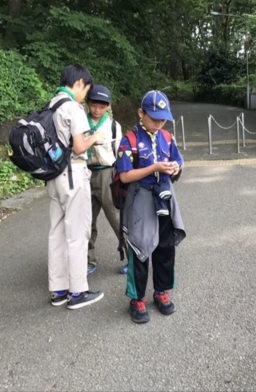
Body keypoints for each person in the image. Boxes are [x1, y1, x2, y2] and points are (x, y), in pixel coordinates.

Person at [116, 90, 186, 323]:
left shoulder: (167, 137)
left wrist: (175, 167)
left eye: (162, 118)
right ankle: (136, 299)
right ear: (140, 113)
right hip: (141, 197)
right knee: (140, 246)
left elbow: (178, 159)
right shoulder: (130, 140)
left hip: (164, 196)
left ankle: (161, 292)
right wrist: (154, 168)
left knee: (165, 246)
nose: (158, 122)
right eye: (153, 117)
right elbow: (125, 176)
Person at [47, 64, 105, 310]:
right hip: (72, 173)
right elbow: (80, 147)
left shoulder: (51, 105)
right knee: (77, 232)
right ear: (79, 83)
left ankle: (58, 290)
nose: (85, 95)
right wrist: (96, 136)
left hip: (54, 176)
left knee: (57, 232)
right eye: (86, 89)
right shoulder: (73, 107)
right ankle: (78, 292)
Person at [85, 84, 126, 275]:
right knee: (86, 220)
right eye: (94, 105)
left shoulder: (113, 126)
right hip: (84, 173)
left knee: (116, 217)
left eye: (102, 106)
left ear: (108, 106)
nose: (97, 109)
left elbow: (121, 154)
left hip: (107, 174)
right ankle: (88, 260)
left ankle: (133, 257)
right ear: (88, 103)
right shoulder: (80, 122)